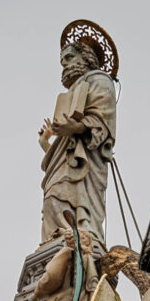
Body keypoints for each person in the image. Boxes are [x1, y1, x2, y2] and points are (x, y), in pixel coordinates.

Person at [38, 41, 116, 246]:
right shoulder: (72, 91)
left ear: (87, 58)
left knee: (60, 201)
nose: (64, 64)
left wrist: (76, 127)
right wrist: (47, 143)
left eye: (69, 58)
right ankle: (57, 247)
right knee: (52, 201)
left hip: (88, 165)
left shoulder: (99, 80)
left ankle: (78, 245)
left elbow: (103, 121)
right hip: (67, 164)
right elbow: (66, 155)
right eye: (62, 61)